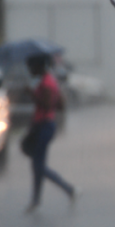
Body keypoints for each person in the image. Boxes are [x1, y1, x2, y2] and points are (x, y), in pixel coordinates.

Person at [24, 54, 76, 213]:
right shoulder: (48, 80)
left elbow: (47, 105)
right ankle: (35, 200)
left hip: (44, 126)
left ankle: (68, 189)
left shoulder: (46, 82)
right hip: (44, 125)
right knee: (38, 165)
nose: (30, 70)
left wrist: (32, 94)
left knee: (38, 166)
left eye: (31, 67)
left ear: (38, 66)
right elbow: (58, 104)